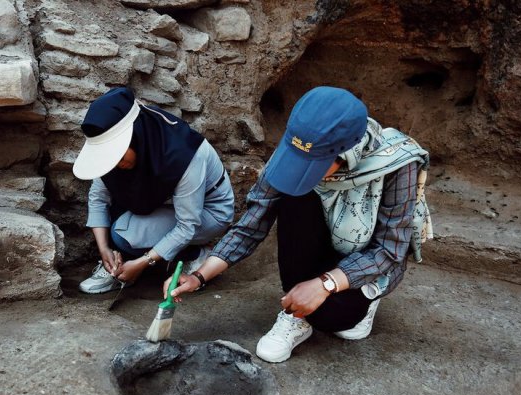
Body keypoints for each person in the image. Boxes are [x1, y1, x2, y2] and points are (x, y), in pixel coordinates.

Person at [164, 86, 431, 362]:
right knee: (294, 195)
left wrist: (324, 285)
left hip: (364, 256)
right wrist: (199, 276)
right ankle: (297, 314)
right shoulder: (298, 148)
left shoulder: (398, 164)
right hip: (316, 243)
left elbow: (390, 249)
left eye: (314, 164)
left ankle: (363, 299)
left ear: (346, 153)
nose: (302, 168)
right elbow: (251, 224)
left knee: (336, 318)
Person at [73, 87, 235, 294]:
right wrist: (104, 248)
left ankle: (196, 255)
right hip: (164, 205)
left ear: (137, 138)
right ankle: (116, 265)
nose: (115, 165)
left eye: (120, 157)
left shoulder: (183, 154)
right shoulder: (115, 153)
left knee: (124, 235)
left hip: (209, 212)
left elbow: (187, 225)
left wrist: (142, 263)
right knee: (118, 232)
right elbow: (98, 198)